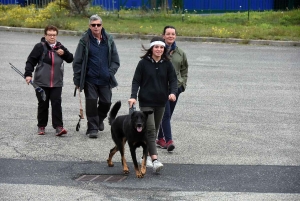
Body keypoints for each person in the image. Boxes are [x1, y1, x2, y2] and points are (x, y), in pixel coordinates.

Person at [128, 36, 177, 173]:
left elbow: (173, 80)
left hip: (161, 102)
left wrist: (173, 92)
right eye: (156, 47)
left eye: (161, 47)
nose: (159, 50)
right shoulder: (143, 63)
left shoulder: (167, 64)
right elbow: (136, 81)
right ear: (151, 48)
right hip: (146, 102)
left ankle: (145, 157)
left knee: (153, 131)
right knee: (150, 130)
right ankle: (155, 160)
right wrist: (133, 96)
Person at [73, 14, 120, 138]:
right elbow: (77, 61)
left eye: (98, 25)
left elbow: (116, 60)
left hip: (105, 78)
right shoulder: (85, 40)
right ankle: (92, 128)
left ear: (101, 26)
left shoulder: (109, 40)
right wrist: (77, 79)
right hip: (90, 79)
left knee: (106, 102)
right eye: (93, 25)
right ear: (89, 26)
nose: (96, 27)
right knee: (91, 102)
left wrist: (110, 72)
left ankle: (99, 119)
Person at [24, 25, 73, 136]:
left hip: (56, 82)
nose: (52, 37)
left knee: (56, 103)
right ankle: (41, 126)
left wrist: (64, 53)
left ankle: (59, 127)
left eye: (54, 35)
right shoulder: (39, 47)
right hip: (41, 82)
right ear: (45, 35)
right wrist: (28, 75)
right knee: (43, 104)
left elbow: (70, 59)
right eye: (49, 35)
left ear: (56, 35)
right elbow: (30, 61)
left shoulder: (60, 47)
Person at [156, 25, 189, 152]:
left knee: (167, 115)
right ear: (163, 35)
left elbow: (184, 69)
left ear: (175, 36)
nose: (170, 36)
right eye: (168, 34)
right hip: (162, 88)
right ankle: (168, 140)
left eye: (173, 34)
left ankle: (160, 138)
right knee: (165, 113)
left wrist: (182, 84)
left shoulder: (180, 53)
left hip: (176, 88)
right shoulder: (159, 50)